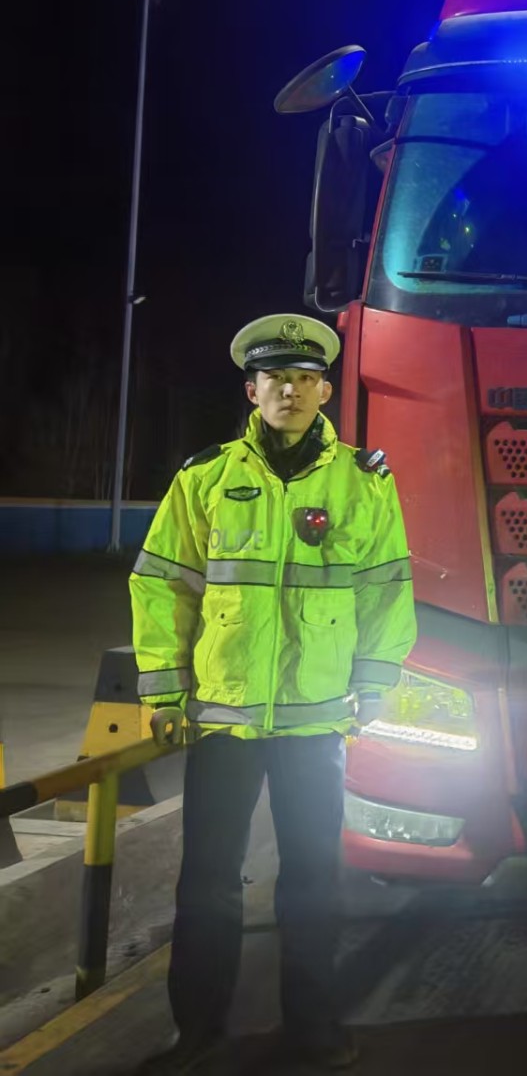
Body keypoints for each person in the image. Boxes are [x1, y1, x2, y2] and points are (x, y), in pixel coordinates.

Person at [130, 314, 417, 1074]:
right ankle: (197, 1032)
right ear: (251, 391)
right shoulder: (204, 478)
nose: (289, 390)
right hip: (223, 720)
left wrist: (375, 681)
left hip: (317, 724)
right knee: (208, 885)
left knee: (313, 885)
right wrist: (164, 690)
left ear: (324, 390)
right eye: (275, 378)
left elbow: (387, 587)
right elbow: (161, 584)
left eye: (304, 378)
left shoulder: (363, 481)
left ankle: (313, 1028)